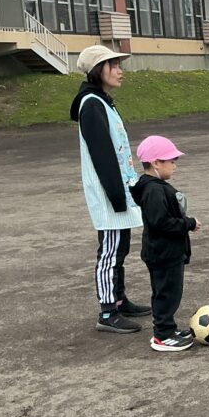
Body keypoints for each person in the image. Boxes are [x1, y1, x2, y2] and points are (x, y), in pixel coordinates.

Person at [69, 45, 150, 333]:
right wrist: (116, 195)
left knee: (121, 247)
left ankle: (119, 299)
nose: (119, 71)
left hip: (121, 189)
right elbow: (102, 155)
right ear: (96, 70)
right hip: (109, 193)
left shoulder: (103, 102)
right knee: (110, 251)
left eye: (119, 65)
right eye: (112, 65)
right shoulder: (91, 104)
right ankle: (107, 311)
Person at [129, 136, 200, 352]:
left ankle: (168, 328)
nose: (175, 165)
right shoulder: (154, 190)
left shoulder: (155, 187)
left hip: (167, 251)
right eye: (171, 161)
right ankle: (162, 335)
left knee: (169, 292)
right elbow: (160, 222)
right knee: (166, 294)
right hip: (163, 253)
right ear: (155, 163)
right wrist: (188, 223)